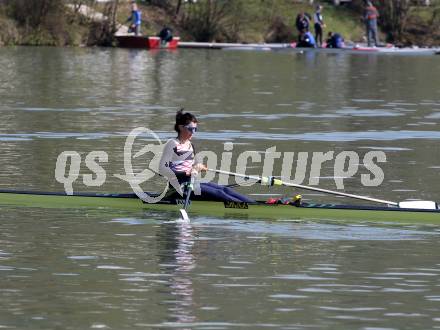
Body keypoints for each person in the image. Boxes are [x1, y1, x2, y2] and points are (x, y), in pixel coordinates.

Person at [159, 109, 255, 203]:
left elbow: (197, 164)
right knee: (219, 193)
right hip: (178, 188)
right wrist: (186, 172)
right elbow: (162, 170)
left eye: (195, 129)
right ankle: (252, 208)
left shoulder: (190, 145)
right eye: (190, 129)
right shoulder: (172, 144)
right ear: (180, 127)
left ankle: (256, 204)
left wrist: (200, 166)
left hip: (191, 184)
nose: (193, 132)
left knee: (224, 190)